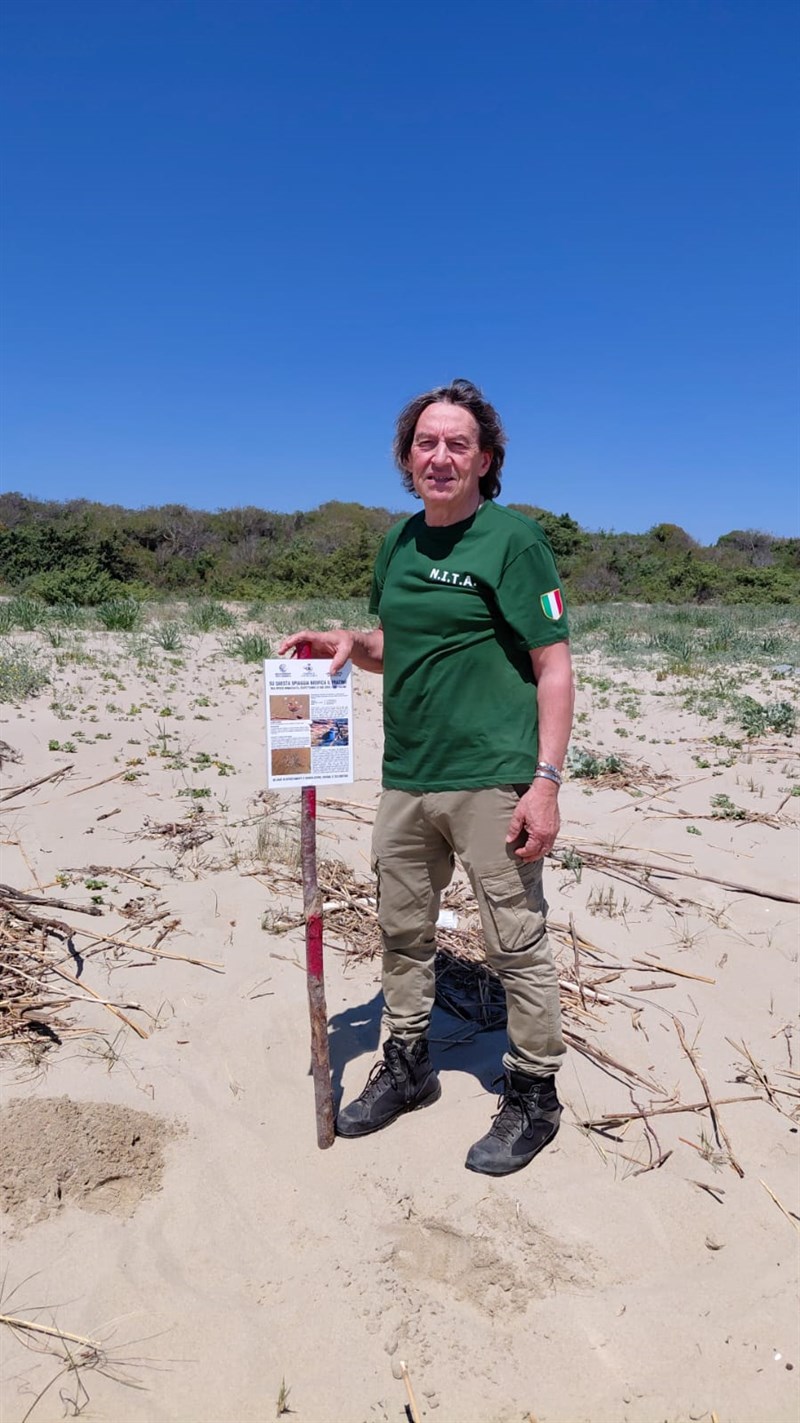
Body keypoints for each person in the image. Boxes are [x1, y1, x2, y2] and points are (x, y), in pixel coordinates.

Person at [278, 379, 574, 1176]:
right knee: (402, 930)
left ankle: (535, 1092)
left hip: (491, 780)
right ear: (407, 459)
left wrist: (544, 781)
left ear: (485, 459)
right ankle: (408, 1066)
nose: (439, 456)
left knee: (515, 939)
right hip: (406, 777)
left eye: (457, 444)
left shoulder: (513, 542)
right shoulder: (399, 544)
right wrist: (347, 642)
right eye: (425, 443)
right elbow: (396, 644)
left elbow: (552, 664)